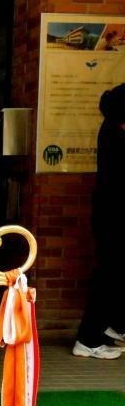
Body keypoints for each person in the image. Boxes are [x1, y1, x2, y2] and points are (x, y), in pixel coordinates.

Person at [73, 83, 125, 359]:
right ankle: (89, 339)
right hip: (115, 218)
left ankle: (114, 325)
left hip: (110, 215)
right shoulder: (116, 134)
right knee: (110, 276)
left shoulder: (112, 129)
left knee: (114, 274)